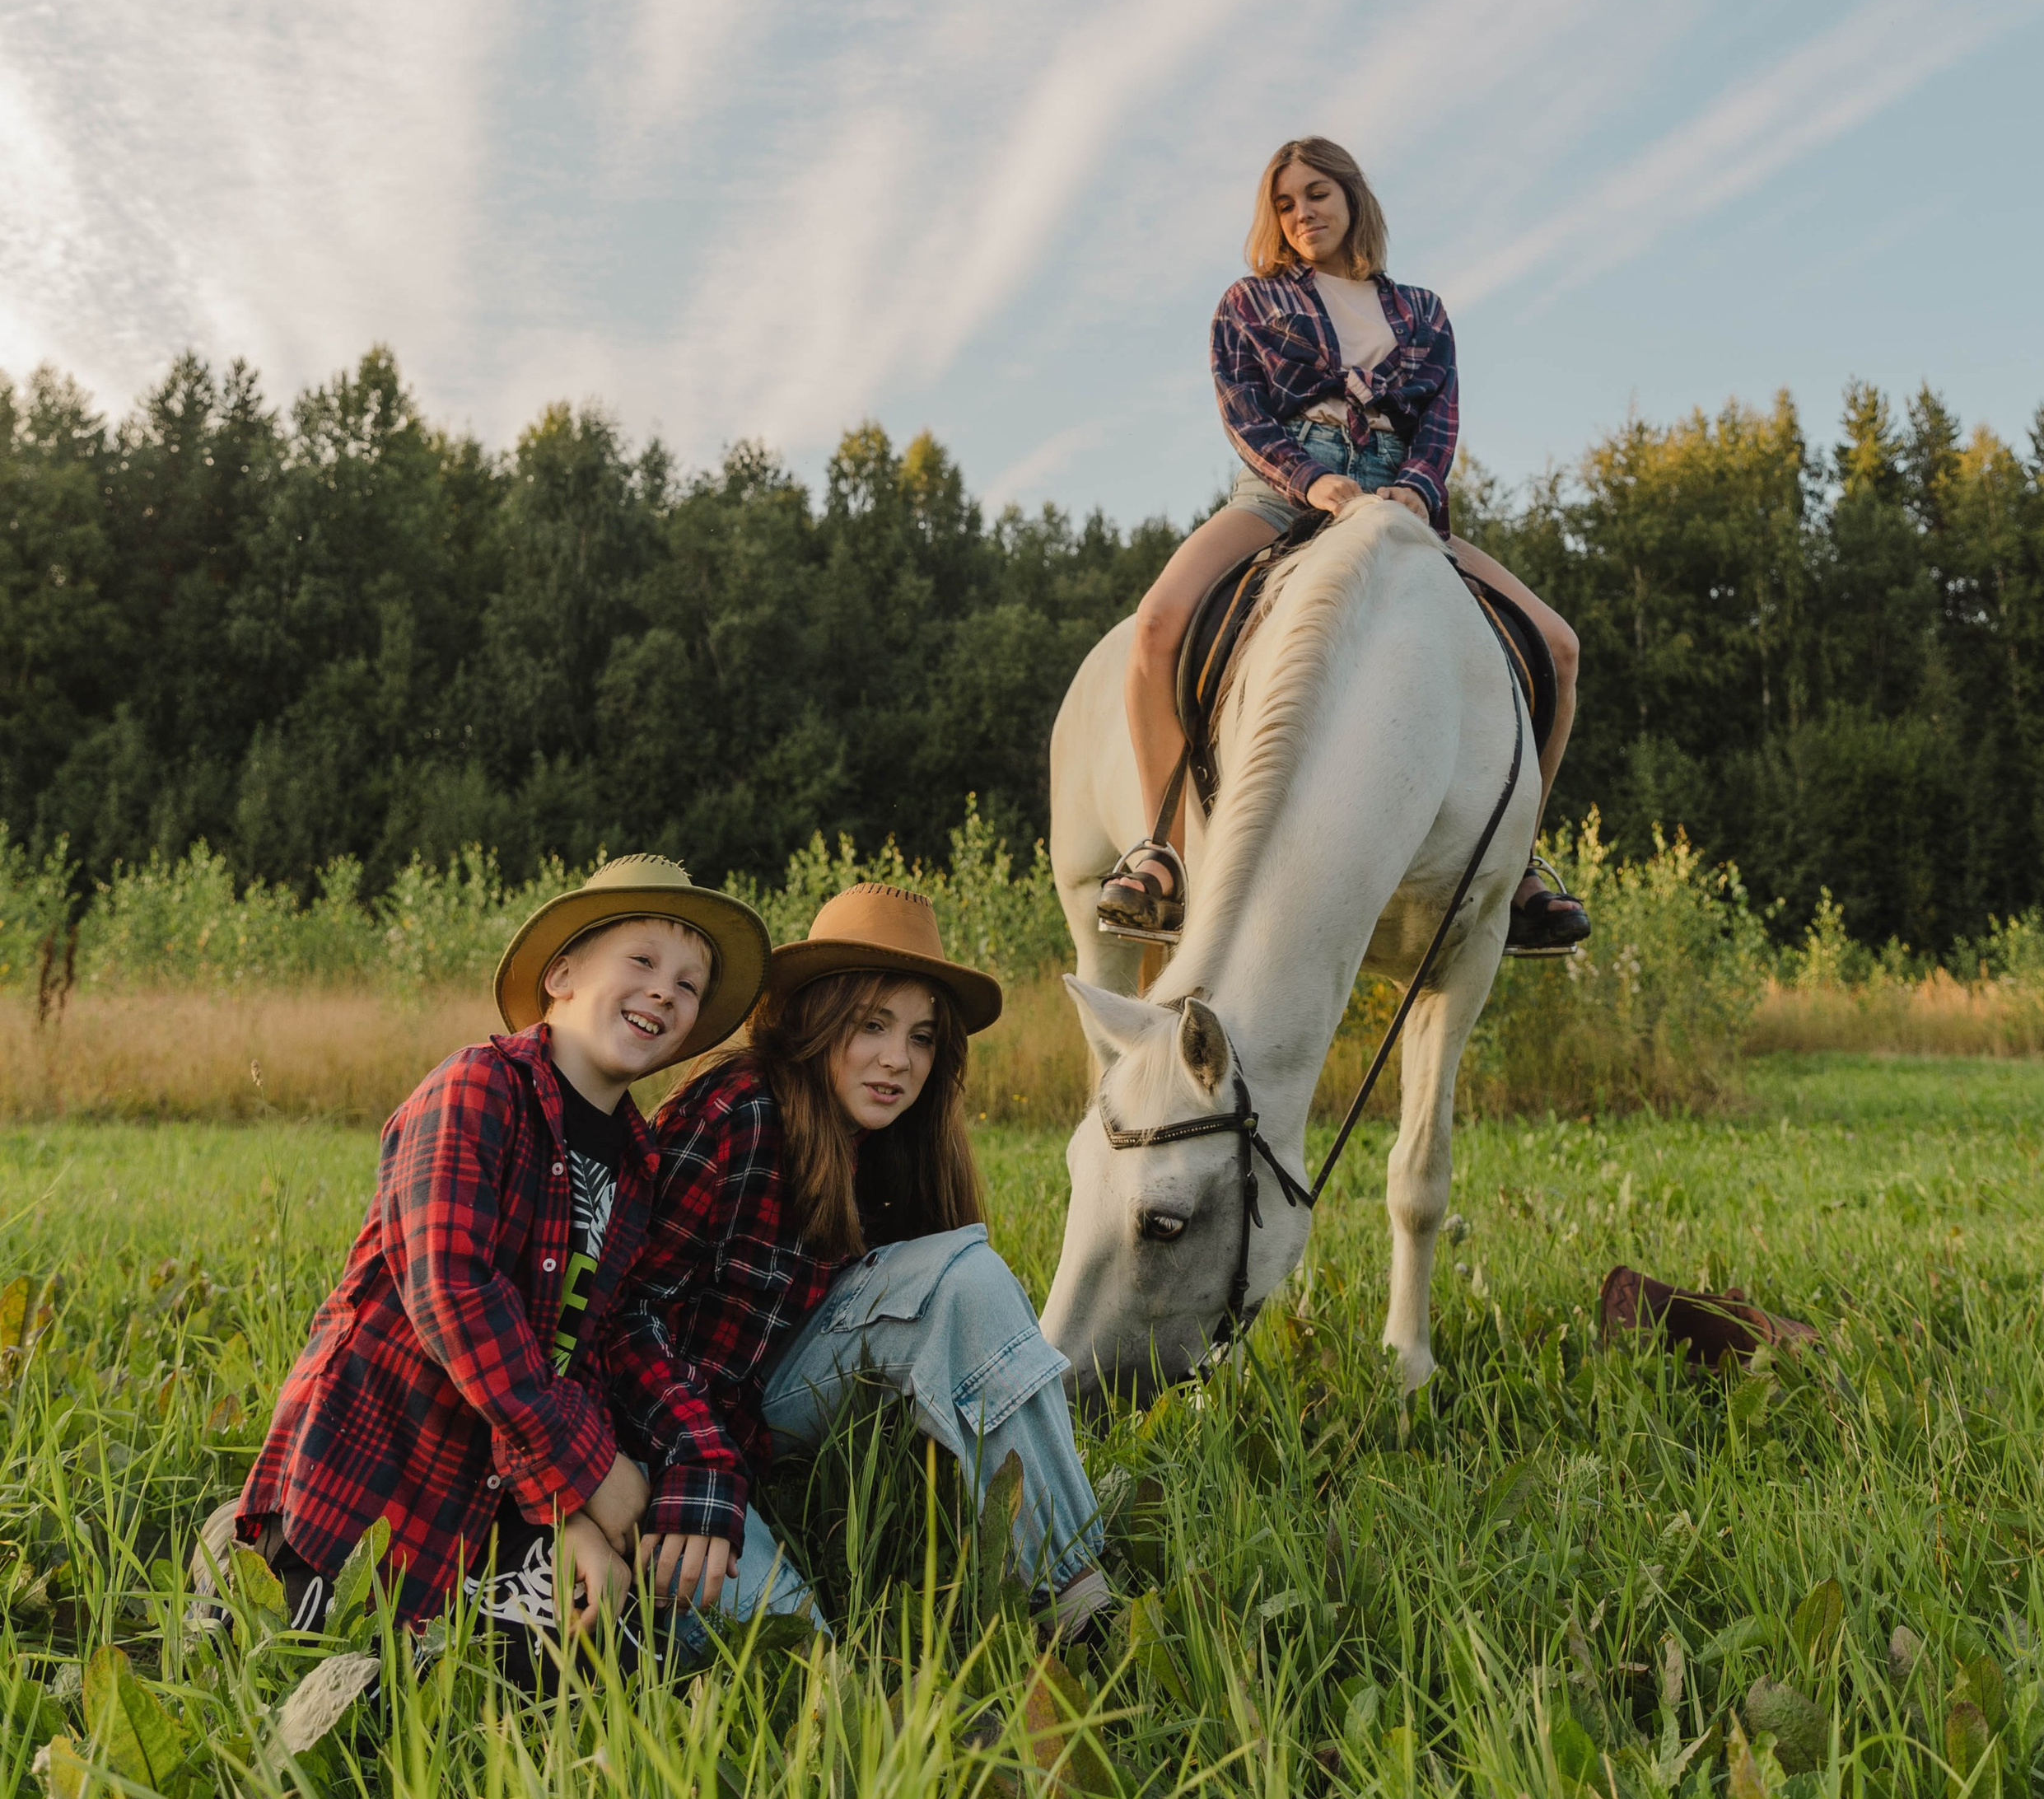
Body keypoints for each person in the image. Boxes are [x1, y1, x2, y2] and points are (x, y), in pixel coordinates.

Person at [231, 854, 770, 1663]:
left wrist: (572, 1516)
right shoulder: (478, 1088)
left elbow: (581, 1348)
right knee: (319, 1672)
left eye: (690, 985)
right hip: (365, 1471)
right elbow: (454, 1295)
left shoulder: (635, 1166)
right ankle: (237, 1560)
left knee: (599, 1666)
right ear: (561, 975)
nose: (666, 990)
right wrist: (593, 1477)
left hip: (494, 1489)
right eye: (643, 962)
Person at [1097, 133, 1588, 958]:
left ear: (1352, 197)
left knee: (1560, 648)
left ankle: (1522, 860)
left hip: (1400, 500)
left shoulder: (1424, 313)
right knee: (1155, 626)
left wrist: (1415, 490)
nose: (1301, 214)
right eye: (1284, 203)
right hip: (1283, 497)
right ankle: (1163, 852)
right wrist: (1311, 482)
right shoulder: (1247, 304)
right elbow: (1243, 415)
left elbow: (1442, 423)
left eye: (1316, 194)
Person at [610, 882, 1113, 1638]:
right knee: (793, 1655)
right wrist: (702, 1463)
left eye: (920, 1035)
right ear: (817, 1016)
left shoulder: (886, 1142)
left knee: (967, 1275)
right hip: (660, 1433)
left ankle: (1075, 1599)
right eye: (872, 1024)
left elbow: (904, 1317)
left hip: (765, 1405)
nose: (898, 1059)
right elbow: (625, 1316)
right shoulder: (741, 1108)